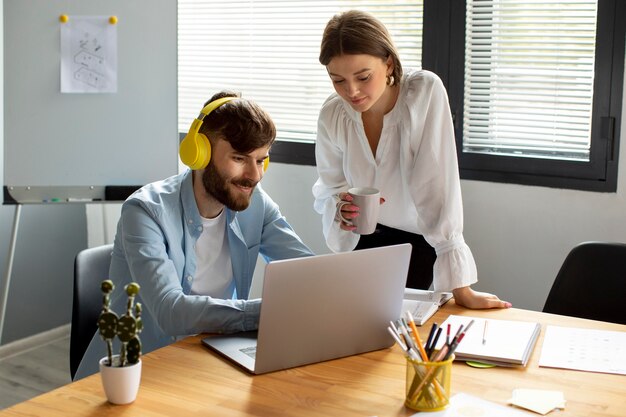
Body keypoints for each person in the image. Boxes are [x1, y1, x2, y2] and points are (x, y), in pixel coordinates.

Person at [75, 91, 313, 379]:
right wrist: (267, 313)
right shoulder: (144, 211)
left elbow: (308, 272)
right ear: (199, 153)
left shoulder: (256, 203)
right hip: (132, 374)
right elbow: (170, 311)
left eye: (261, 160)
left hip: (205, 360)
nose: (255, 175)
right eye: (239, 158)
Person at [312, 10, 510, 310]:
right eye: (337, 79)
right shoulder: (333, 114)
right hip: (361, 240)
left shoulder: (422, 94)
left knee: (392, 326)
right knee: (348, 325)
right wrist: (341, 209)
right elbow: (330, 187)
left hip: (416, 242)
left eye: (363, 77)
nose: (351, 91)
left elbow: (437, 187)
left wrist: (461, 289)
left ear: (388, 62)